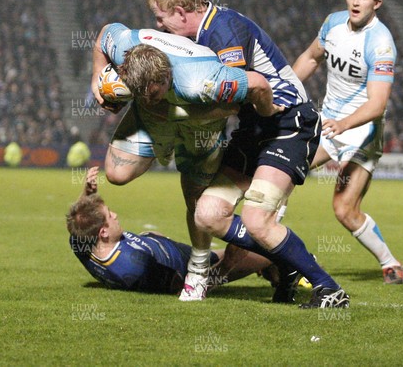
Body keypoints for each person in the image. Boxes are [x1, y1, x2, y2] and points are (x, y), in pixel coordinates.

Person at [147, 0, 349, 308]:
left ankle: (328, 288)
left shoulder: (223, 31)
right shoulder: (199, 35)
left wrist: (177, 117)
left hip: (288, 124)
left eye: (161, 17)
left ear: (181, 12)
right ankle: (284, 261)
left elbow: (232, 98)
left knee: (257, 220)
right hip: (254, 129)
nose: (159, 25)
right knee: (207, 213)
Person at [89, 23, 285, 298]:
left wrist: (270, 115)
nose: (151, 99)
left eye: (155, 93)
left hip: (199, 127)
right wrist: (97, 74)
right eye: (143, 95)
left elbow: (254, 89)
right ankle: (164, 148)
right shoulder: (124, 47)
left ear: (166, 76)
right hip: (154, 123)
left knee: (195, 200)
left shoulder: (201, 80)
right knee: (116, 174)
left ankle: (198, 271)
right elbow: (104, 34)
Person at [292, 0, 403, 284]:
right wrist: (283, 87)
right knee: (282, 173)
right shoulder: (332, 23)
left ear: (377, 3)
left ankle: (390, 263)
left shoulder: (381, 43)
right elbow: (311, 58)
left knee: (344, 209)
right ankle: (281, 257)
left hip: (361, 132)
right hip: (330, 124)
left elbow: (377, 104)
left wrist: (343, 124)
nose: (356, 2)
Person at [67, 167, 275, 293]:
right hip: (194, 265)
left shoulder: (82, 242)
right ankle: (282, 275)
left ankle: (274, 272)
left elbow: (77, 223)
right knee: (266, 251)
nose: (115, 215)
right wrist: (227, 264)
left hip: (175, 252)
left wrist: (86, 195)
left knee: (261, 251)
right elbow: (183, 287)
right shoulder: (134, 267)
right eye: (110, 215)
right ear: (103, 233)